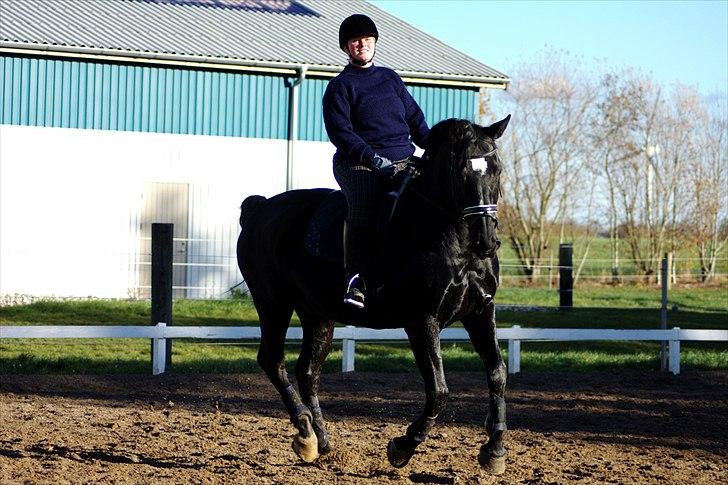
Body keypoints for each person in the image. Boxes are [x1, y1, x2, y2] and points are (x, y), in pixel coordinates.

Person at [323, 13, 430, 309]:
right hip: (357, 163)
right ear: (346, 47)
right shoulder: (340, 86)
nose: (362, 45)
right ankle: (355, 280)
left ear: (375, 43)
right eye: (356, 41)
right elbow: (340, 132)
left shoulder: (390, 78)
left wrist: (433, 146)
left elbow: (414, 119)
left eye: (367, 40)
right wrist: (372, 158)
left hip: (404, 158)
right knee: (364, 206)